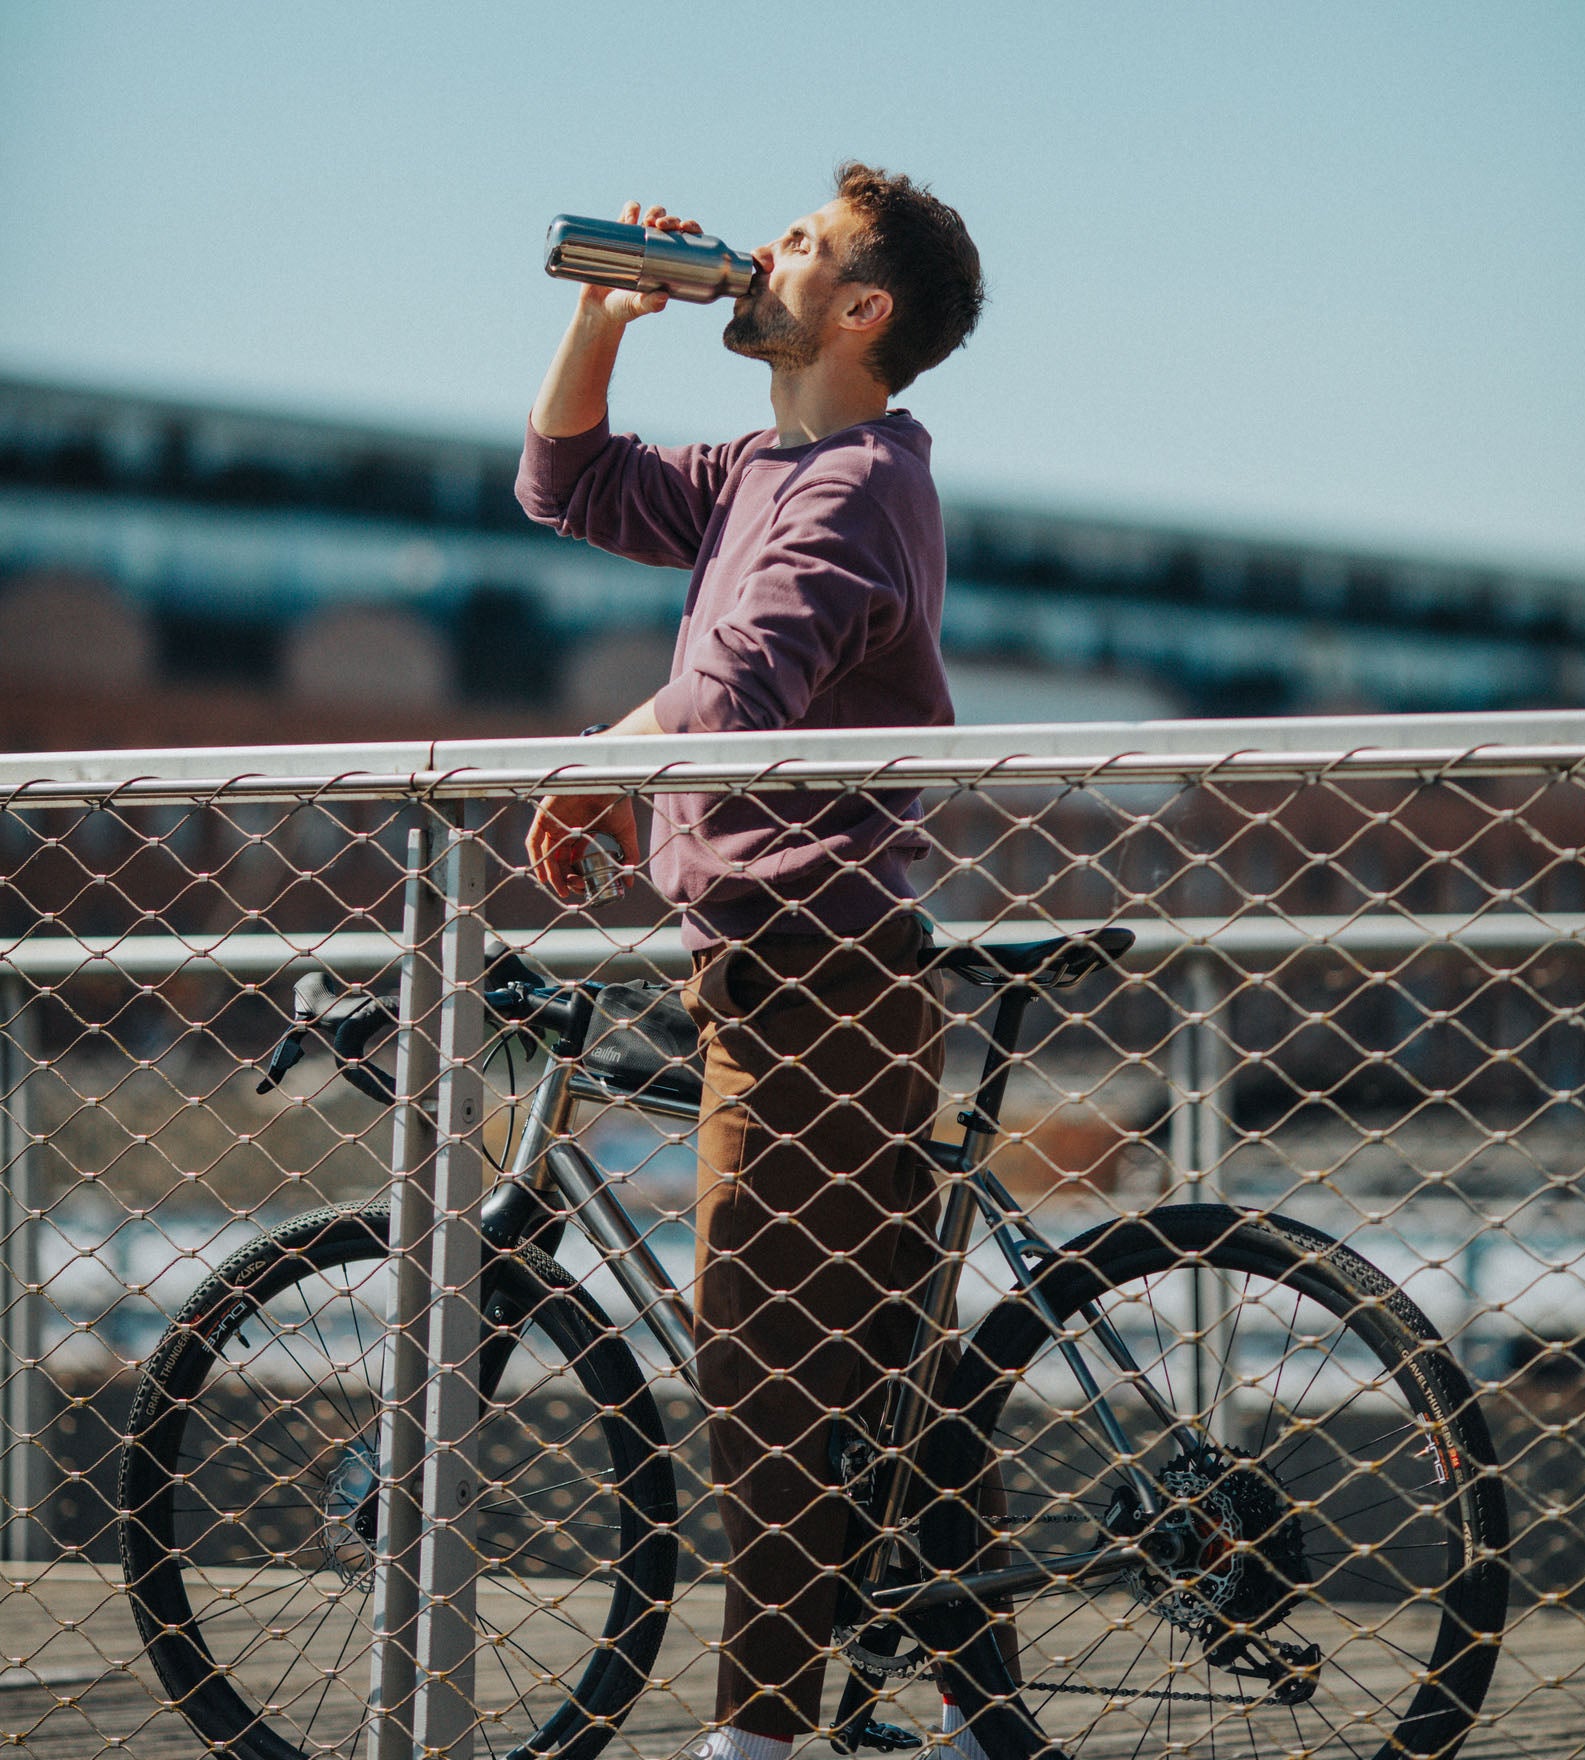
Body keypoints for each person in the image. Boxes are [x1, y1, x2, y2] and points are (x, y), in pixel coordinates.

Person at [517, 163, 985, 1760]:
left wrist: (601, 751)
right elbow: (567, 485)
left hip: (818, 986)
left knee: (765, 1370)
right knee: (860, 1367)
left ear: (861, 312)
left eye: (799, 243)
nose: (761, 251)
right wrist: (603, 317)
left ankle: (756, 1739)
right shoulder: (766, 468)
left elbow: (724, 715)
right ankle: (965, 1707)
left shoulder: (853, 489)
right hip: (787, 973)